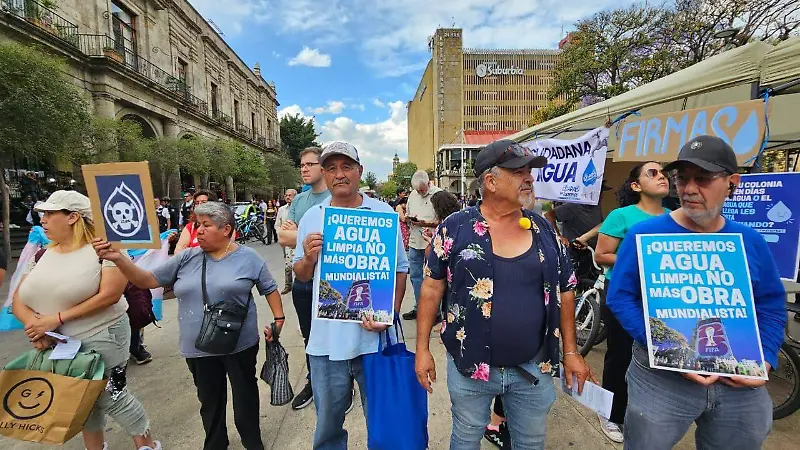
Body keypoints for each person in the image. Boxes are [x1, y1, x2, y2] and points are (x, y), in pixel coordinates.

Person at [607, 135, 786, 449]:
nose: (689, 189)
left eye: (702, 179)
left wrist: (767, 359)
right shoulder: (643, 234)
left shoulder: (749, 240)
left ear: (732, 183)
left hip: (738, 380)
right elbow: (620, 297)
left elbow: (770, 304)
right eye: (682, 179)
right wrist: (668, 348)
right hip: (661, 379)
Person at [415, 140, 595, 450]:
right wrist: (421, 349)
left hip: (534, 369)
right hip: (470, 367)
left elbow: (567, 290)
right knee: (467, 436)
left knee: (531, 442)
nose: (529, 178)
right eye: (519, 171)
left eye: (530, 171)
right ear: (491, 181)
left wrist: (570, 352)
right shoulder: (455, 228)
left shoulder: (544, 230)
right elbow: (431, 287)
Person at [94, 201, 285, 450]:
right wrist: (119, 259)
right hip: (198, 346)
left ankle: (252, 440)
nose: (199, 231)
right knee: (210, 400)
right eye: (197, 225)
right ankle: (216, 443)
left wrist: (278, 320)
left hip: (239, 343)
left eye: (206, 225)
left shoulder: (249, 258)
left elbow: (269, 289)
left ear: (226, 229)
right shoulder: (186, 257)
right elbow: (148, 279)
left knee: (245, 395)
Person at [12, 190, 160, 450]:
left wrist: (54, 319)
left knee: (110, 395)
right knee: (80, 397)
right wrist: (36, 328)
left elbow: (110, 295)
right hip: (58, 342)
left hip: (102, 334)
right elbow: (19, 299)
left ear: (73, 217)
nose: (42, 219)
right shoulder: (43, 253)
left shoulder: (105, 249)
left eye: (49, 213)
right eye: (42, 214)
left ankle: (146, 444)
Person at [292, 141, 409, 449]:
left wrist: (390, 313)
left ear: (360, 171)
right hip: (326, 342)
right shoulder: (312, 218)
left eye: (346, 167)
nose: (339, 174)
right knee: (328, 426)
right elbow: (301, 274)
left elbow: (400, 269)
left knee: (383, 422)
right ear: (324, 174)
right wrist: (307, 258)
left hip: (375, 342)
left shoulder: (382, 214)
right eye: (331, 168)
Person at [592, 161, 670, 443]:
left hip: (662, 295)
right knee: (621, 354)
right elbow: (602, 255)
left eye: (663, 173)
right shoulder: (621, 216)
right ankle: (611, 413)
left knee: (661, 352)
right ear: (636, 186)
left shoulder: (676, 217)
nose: (661, 176)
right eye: (653, 173)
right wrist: (644, 261)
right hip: (626, 293)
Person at [277, 147, 331, 410]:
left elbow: (333, 242)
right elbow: (283, 237)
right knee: (310, 336)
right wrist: (306, 236)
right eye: (302, 165)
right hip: (303, 281)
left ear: (323, 168)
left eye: (310, 164)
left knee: (334, 335)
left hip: (331, 283)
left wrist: (300, 233)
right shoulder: (298, 200)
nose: (304, 169)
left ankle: (342, 386)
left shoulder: (336, 197)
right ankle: (314, 381)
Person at [402, 170, 441, 320]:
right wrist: (409, 219)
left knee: (432, 278)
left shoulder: (438, 195)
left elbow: (446, 219)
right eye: (418, 190)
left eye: (422, 190)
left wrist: (428, 223)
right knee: (415, 276)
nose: (420, 192)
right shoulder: (413, 195)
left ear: (429, 183)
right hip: (415, 240)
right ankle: (419, 307)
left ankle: (434, 311)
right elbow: (409, 213)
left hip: (431, 241)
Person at [276, 189, 298, 294]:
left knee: (298, 262)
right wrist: (281, 235)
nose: (287, 197)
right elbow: (277, 224)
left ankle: (298, 286)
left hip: (297, 240)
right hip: (286, 242)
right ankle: (288, 285)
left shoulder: (299, 209)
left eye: (290, 195)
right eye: (286, 195)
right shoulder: (281, 210)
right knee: (287, 264)